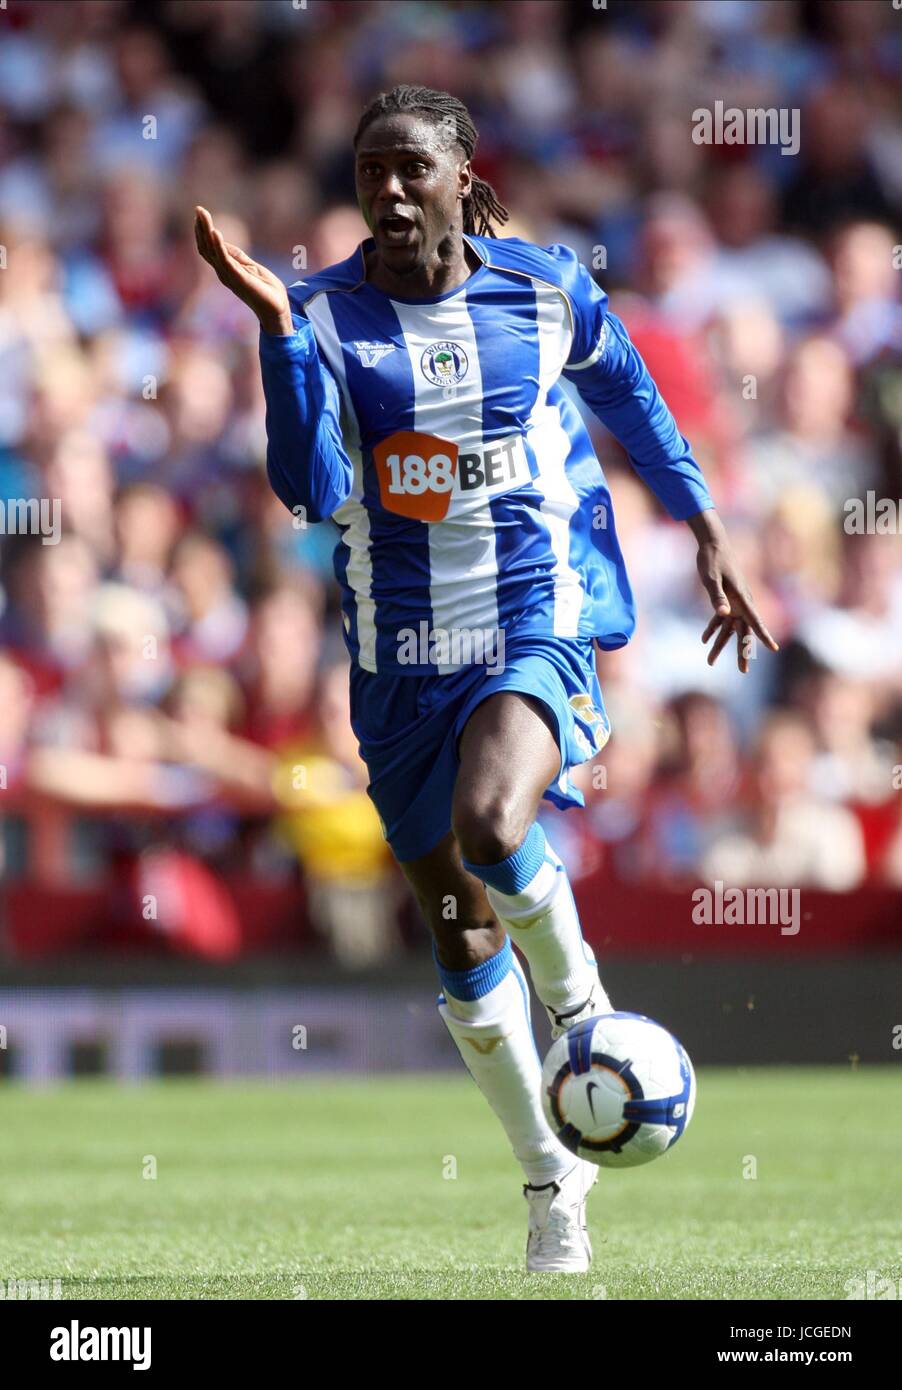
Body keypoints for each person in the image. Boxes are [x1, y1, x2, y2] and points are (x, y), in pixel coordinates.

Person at [194, 84, 776, 1273]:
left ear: (464, 174)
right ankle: (548, 1178)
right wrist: (277, 335)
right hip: (399, 654)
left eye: (412, 168)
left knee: (489, 818)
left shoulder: (544, 287)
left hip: (531, 614)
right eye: (369, 172)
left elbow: (630, 398)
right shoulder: (324, 311)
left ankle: (584, 1013)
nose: (390, 191)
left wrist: (703, 521)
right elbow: (307, 487)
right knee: (459, 946)